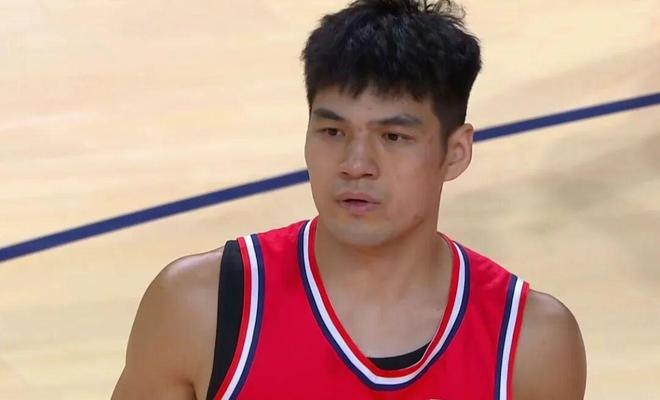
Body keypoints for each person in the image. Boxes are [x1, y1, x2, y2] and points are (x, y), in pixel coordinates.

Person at [112, 0, 587, 399]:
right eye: (332, 131)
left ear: (455, 152)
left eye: (394, 137)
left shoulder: (531, 343)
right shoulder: (200, 306)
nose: (356, 164)